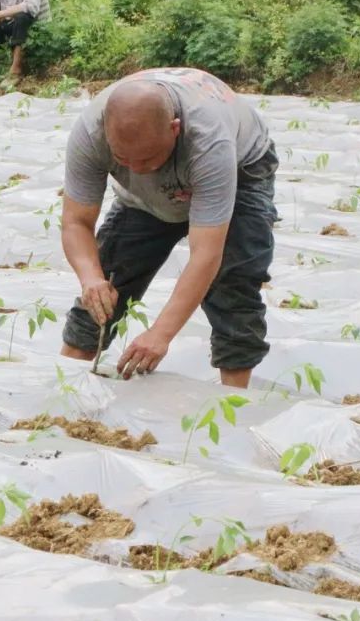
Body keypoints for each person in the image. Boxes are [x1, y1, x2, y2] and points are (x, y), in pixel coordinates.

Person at [59, 68, 278, 389]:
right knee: (106, 285)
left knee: (234, 283)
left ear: (174, 129)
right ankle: (65, 387)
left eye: (146, 159)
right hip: (143, 201)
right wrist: (90, 278)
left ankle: (235, 402)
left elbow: (206, 253)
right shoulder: (91, 133)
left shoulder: (208, 140)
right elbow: (75, 221)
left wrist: (160, 334)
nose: (135, 169)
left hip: (242, 170)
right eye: (123, 159)